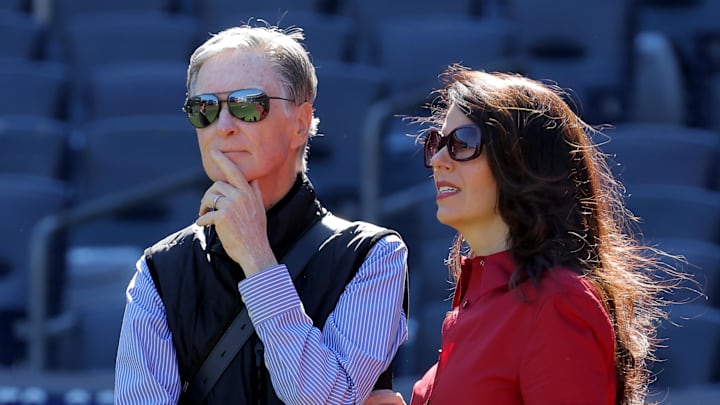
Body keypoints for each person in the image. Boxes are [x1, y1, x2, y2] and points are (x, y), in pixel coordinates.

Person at [114, 24, 409, 404]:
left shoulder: (373, 255)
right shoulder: (160, 269)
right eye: (203, 109)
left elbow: (325, 400)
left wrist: (258, 260)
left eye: (246, 105)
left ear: (301, 123)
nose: (223, 127)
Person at [408, 67, 676, 404]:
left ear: (522, 160)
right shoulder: (480, 297)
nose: (438, 159)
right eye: (436, 142)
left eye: (463, 143)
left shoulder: (557, 300)